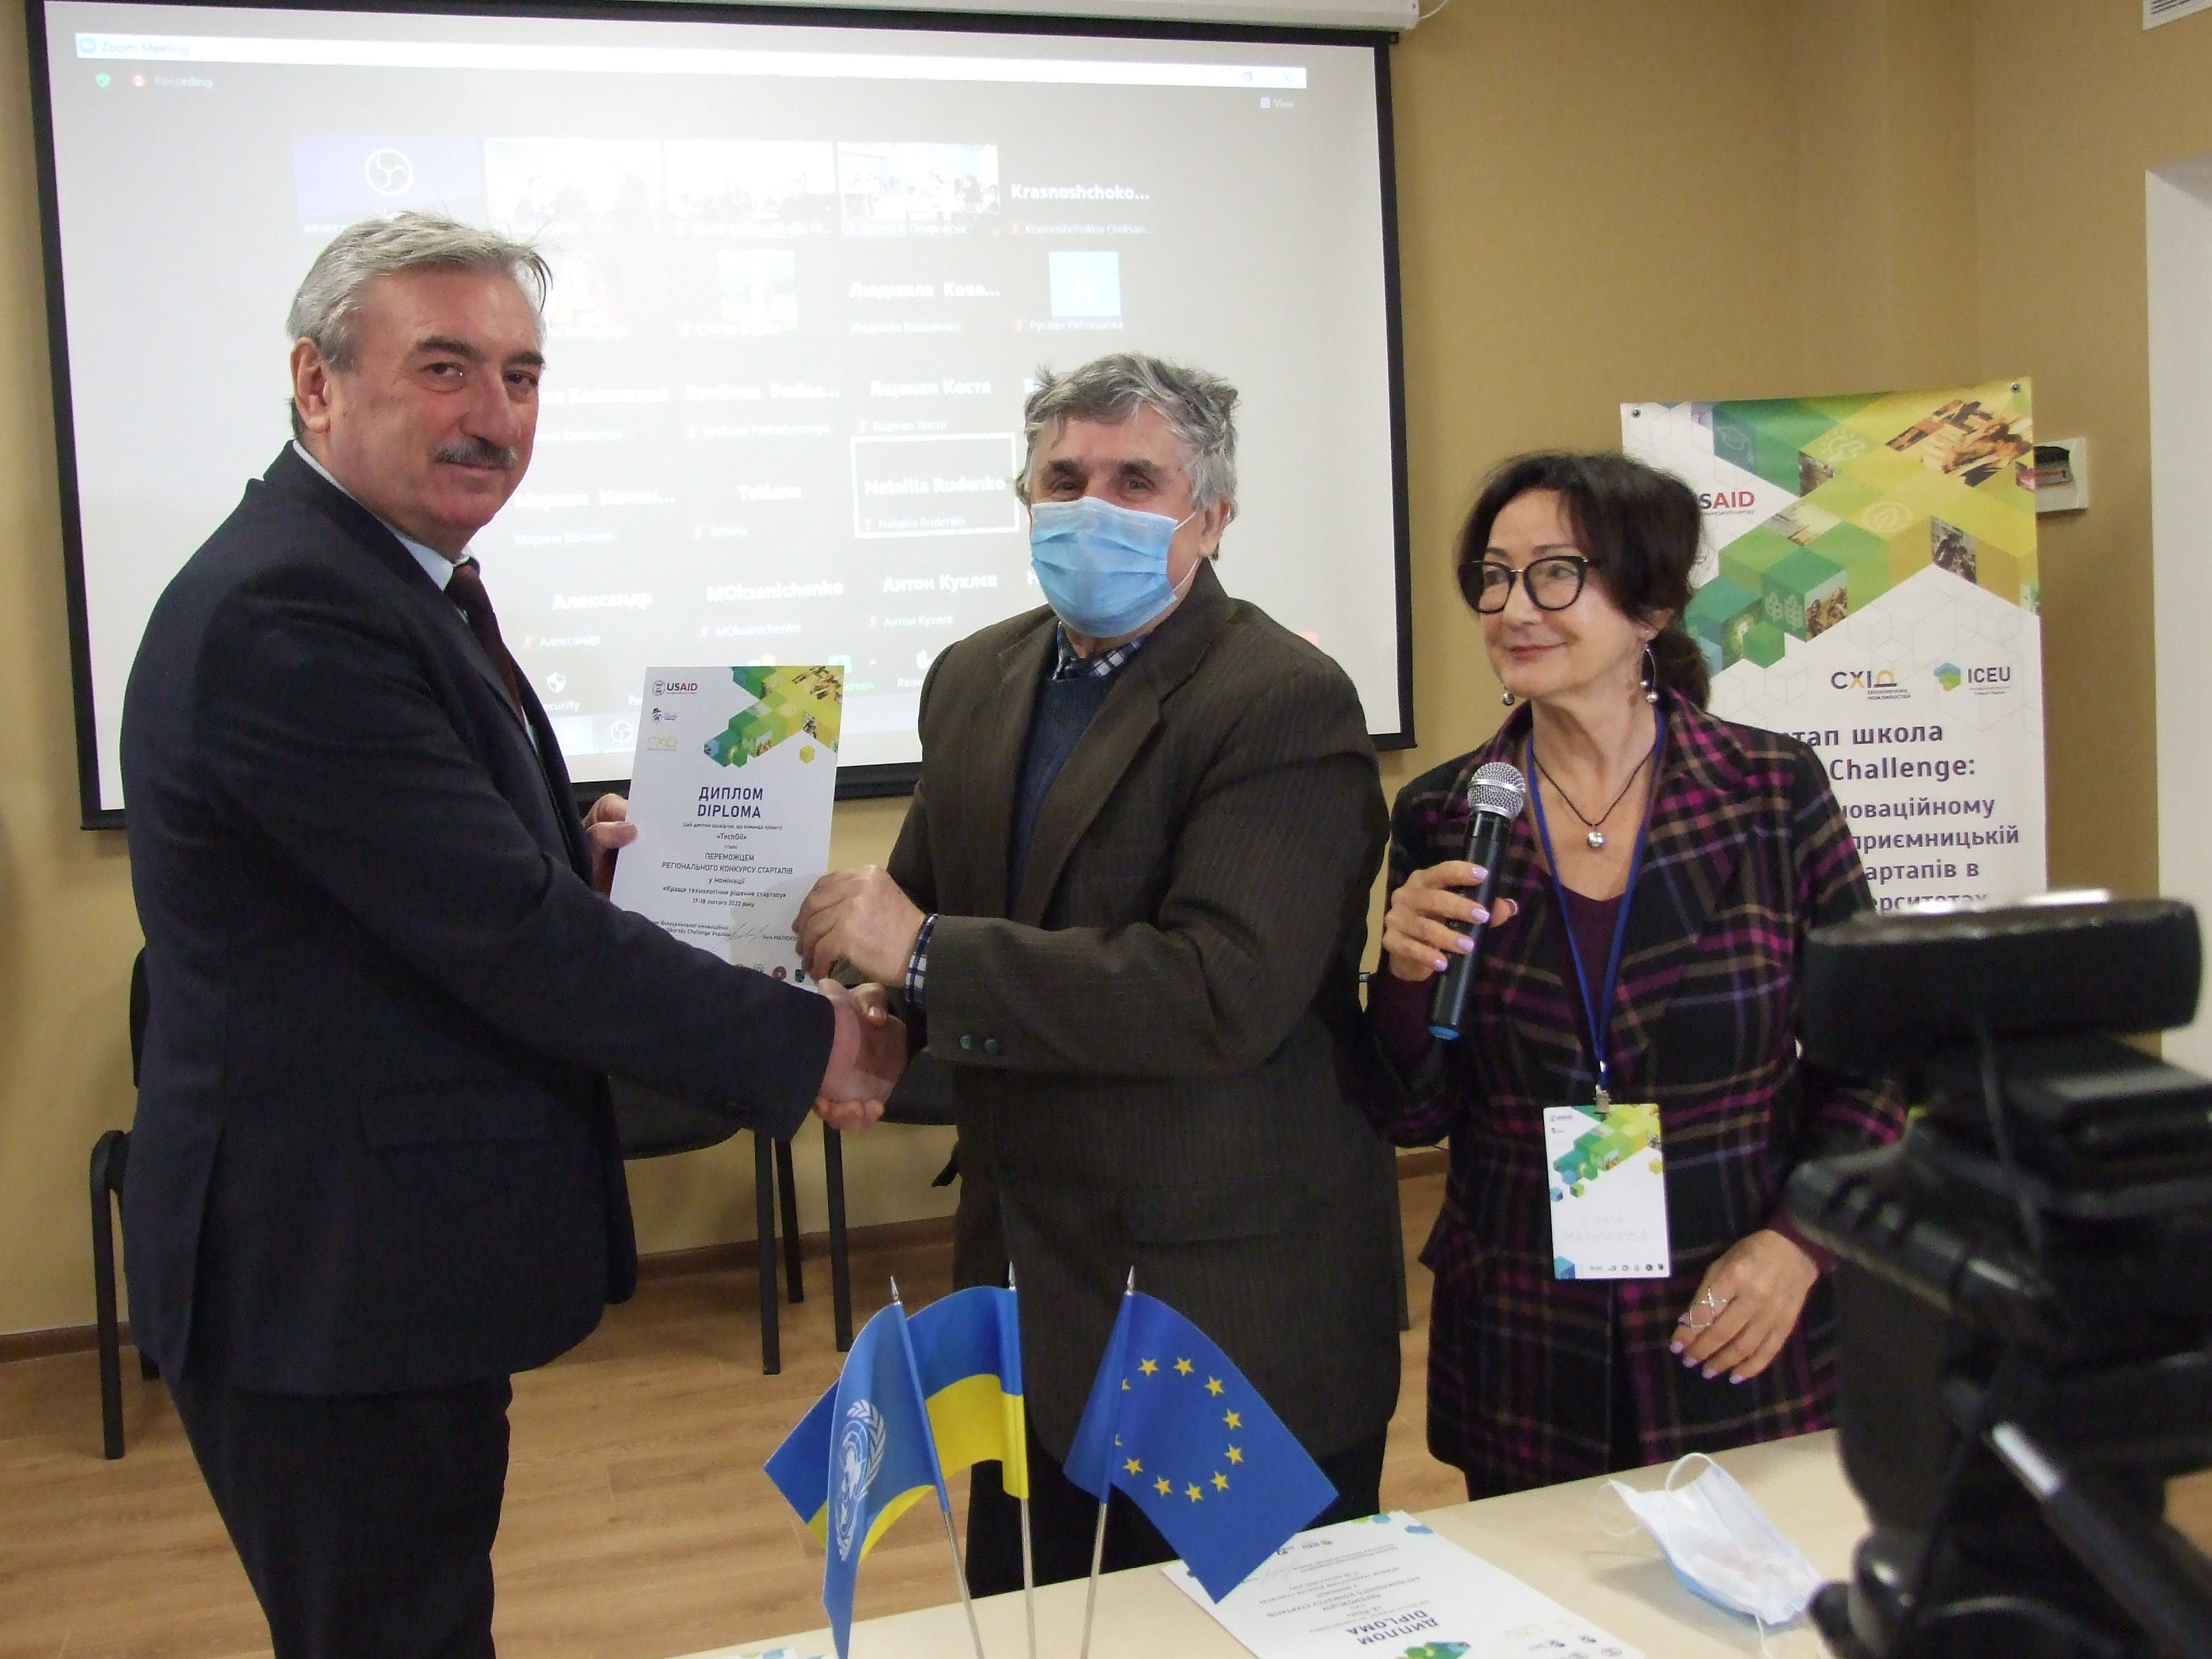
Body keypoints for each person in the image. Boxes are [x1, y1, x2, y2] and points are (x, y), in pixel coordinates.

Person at [120, 212, 903, 1659]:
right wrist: (815, 1041)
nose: (495, 414)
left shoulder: (375, 573)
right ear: (315, 382)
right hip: (330, 1277)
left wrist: (570, 855)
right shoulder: (293, 607)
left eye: (523, 375)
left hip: (372, 1264)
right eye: (446, 368)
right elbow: (502, 932)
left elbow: (428, 888)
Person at [794, 353, 1400, 1591]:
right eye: (1064, 478)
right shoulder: (975, 675)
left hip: (1222, 1305)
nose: (1091, 508)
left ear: (1210, 517)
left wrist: (922, 955)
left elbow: (1221, 990)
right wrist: (879, 1023)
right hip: (1028, 1293)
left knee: (1244, 1633)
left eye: (1136, 482)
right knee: (1044, 1620)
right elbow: (931, 920)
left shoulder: (1283, 698)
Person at [1362, 450, 1905, 1499]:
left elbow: (1877, 1062)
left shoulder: (1770, 790)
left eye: (1556, 574)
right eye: (1494, 577)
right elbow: (1411, 1112)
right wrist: (1403, 980)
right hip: (1525, 1335)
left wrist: (1800, 1246)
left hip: (1738, 1313)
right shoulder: (1445, 812)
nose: (1515, 607)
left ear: (1651, 606)